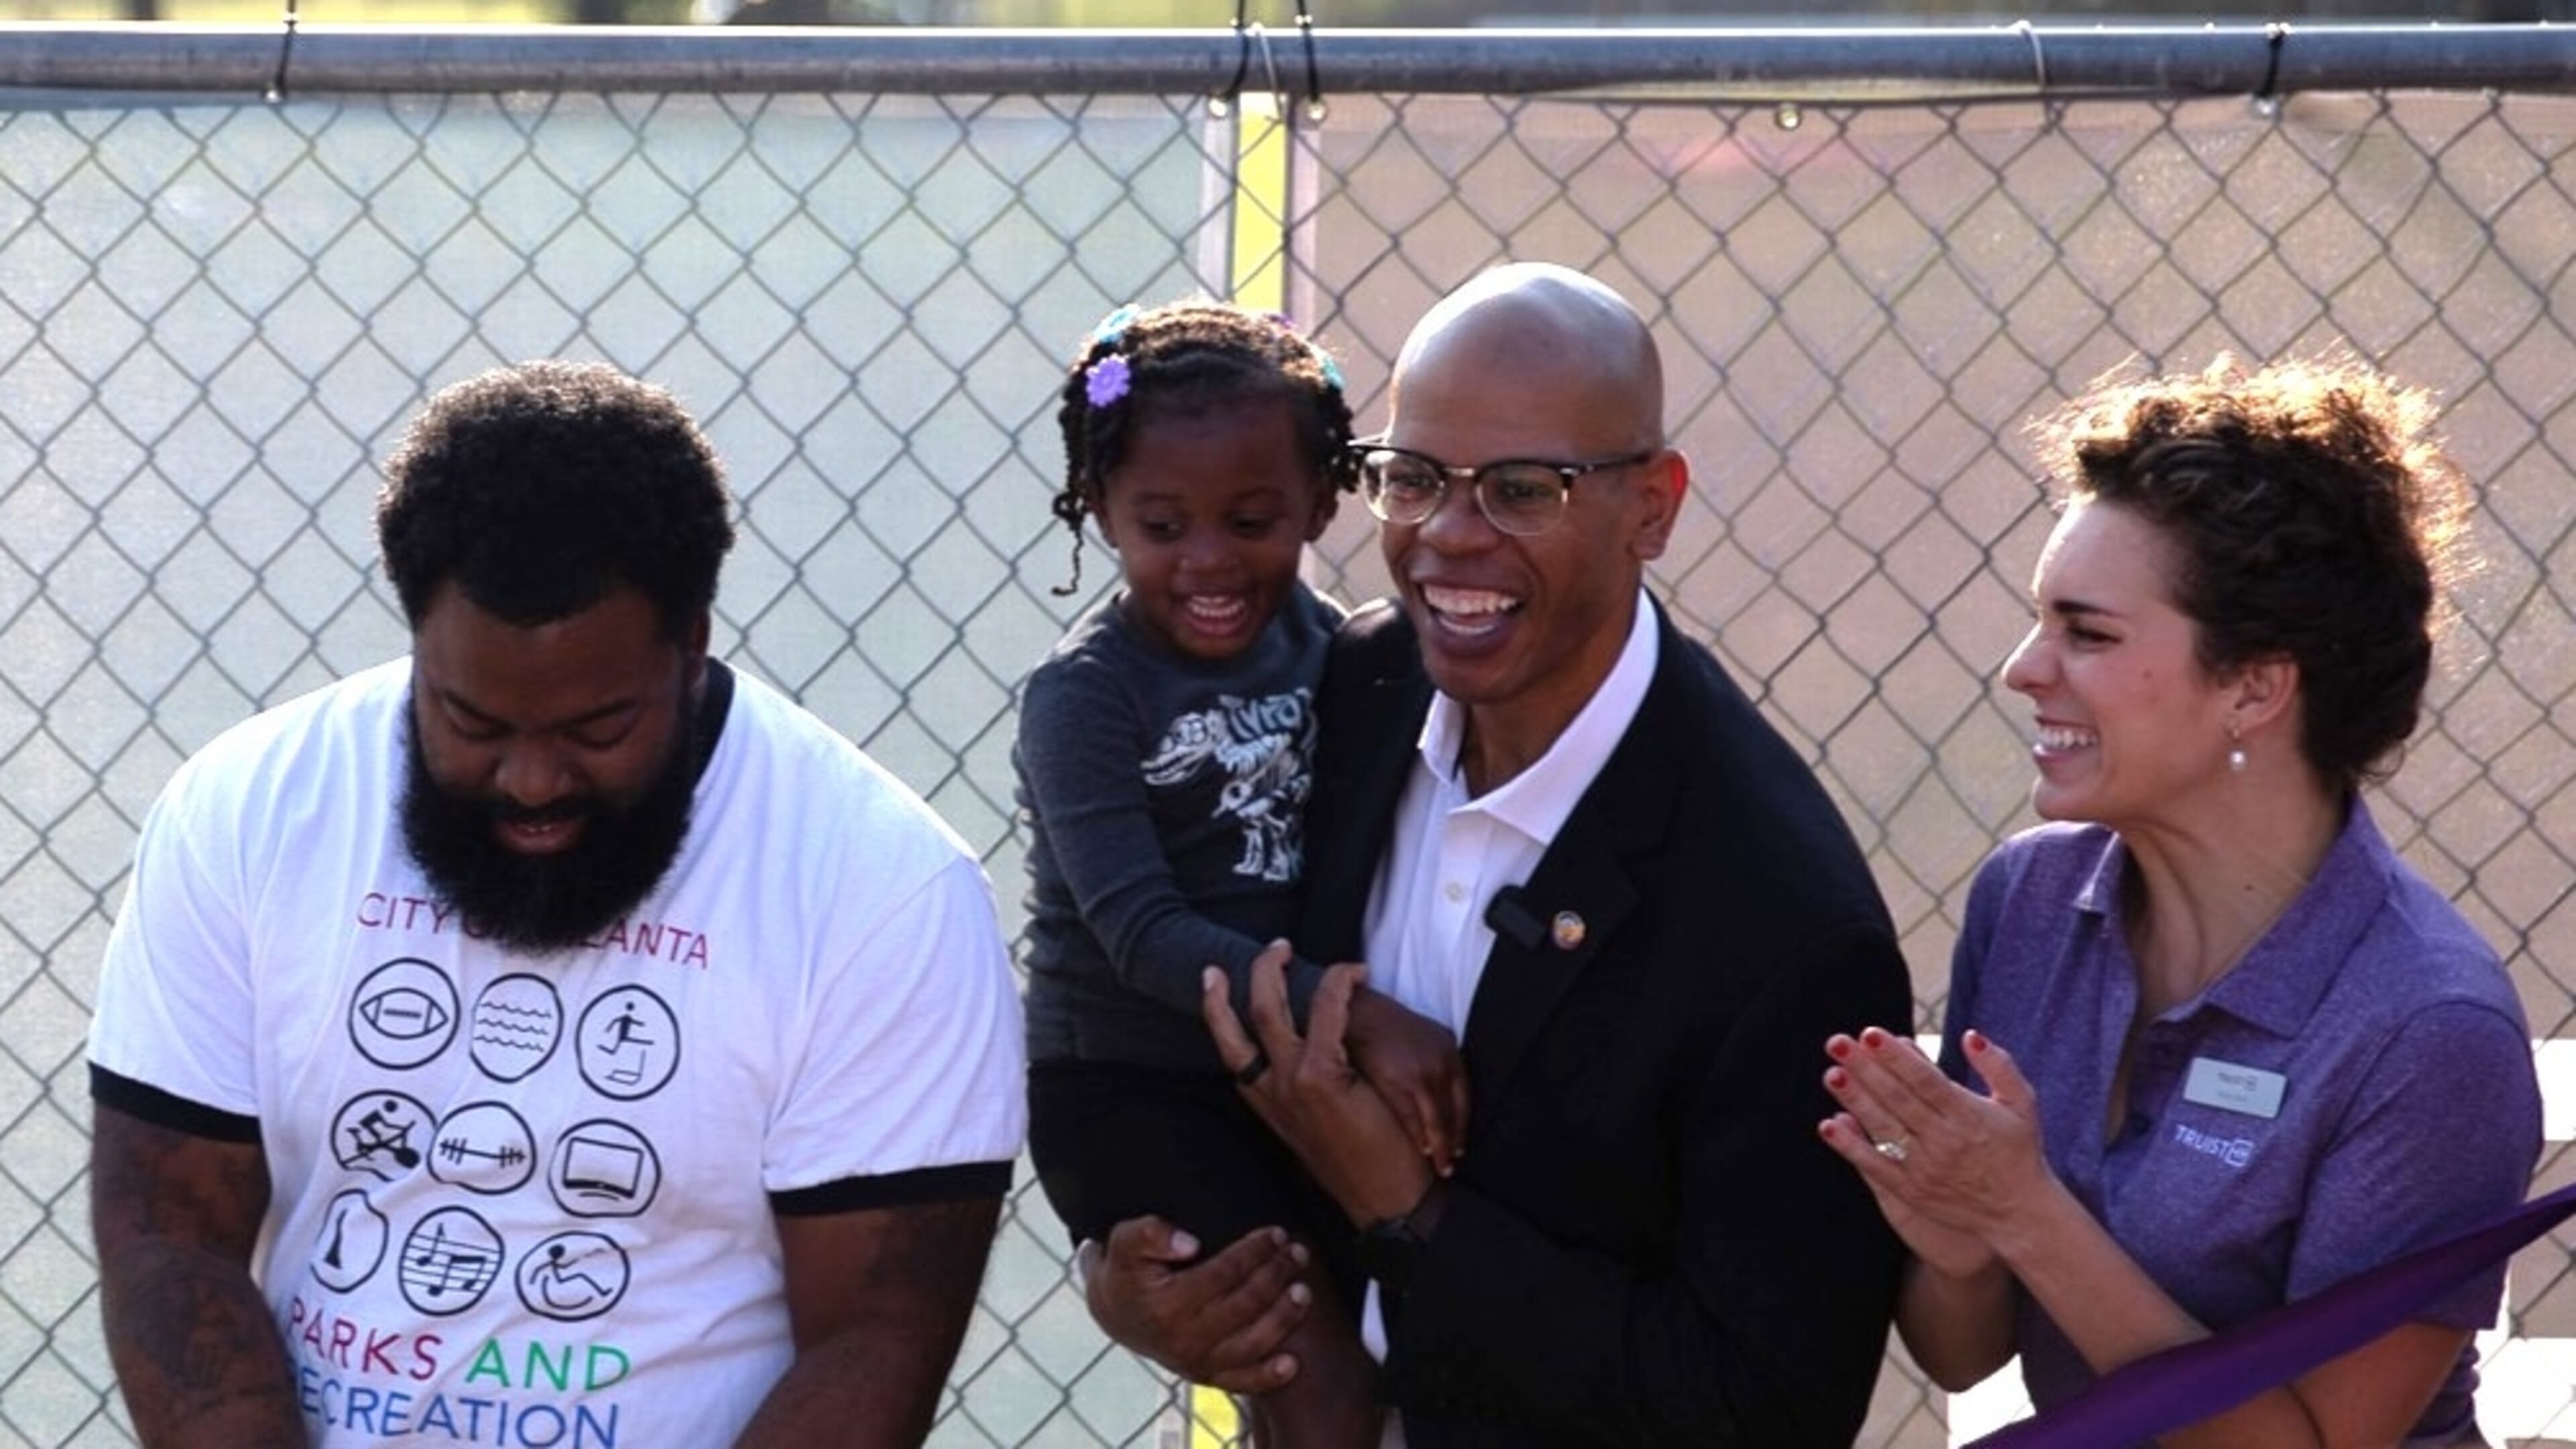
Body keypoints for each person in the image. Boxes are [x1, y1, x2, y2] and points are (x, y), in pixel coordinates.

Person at [85, 360, 1026, 1448]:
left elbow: (876, 1338)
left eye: (597, 729)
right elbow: (169, 1228)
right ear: (415, 639)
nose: (531, 782)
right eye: (473, 723)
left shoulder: (886, 893)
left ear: (693, 644)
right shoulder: (245, 810)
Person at [1084, 262, 1917, 1446]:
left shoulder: (1781, 923)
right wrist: (1134, 1272)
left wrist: (1413, 1214)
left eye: (1523, 490)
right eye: (1412, 479)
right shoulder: (1340, 700)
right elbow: (1152, 1000)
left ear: (1654, 507)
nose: (1447, 538)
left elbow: (1763, 1413)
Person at [1817, 356, 2542, 1448]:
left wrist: (2024, 1211)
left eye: (2089, 633)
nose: (2025, 669)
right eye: (2039, 622)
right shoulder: (2028, 899)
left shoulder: (2430, 1032)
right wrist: (1956, 1239)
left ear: (2255, 684)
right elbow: (1963, 1353)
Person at [1018, 299, 1458, 1444]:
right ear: (1099, 508)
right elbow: (1144, 934)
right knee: (1304, 1367)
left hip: (1281, 1067)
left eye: (1253, 520)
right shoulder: (1086, 697)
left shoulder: (1340, 648)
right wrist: (1358, 1018)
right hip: (1135, 1083)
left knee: (1369, 1347)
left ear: (1321, 502)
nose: (1209, 560)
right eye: (1163, 526)